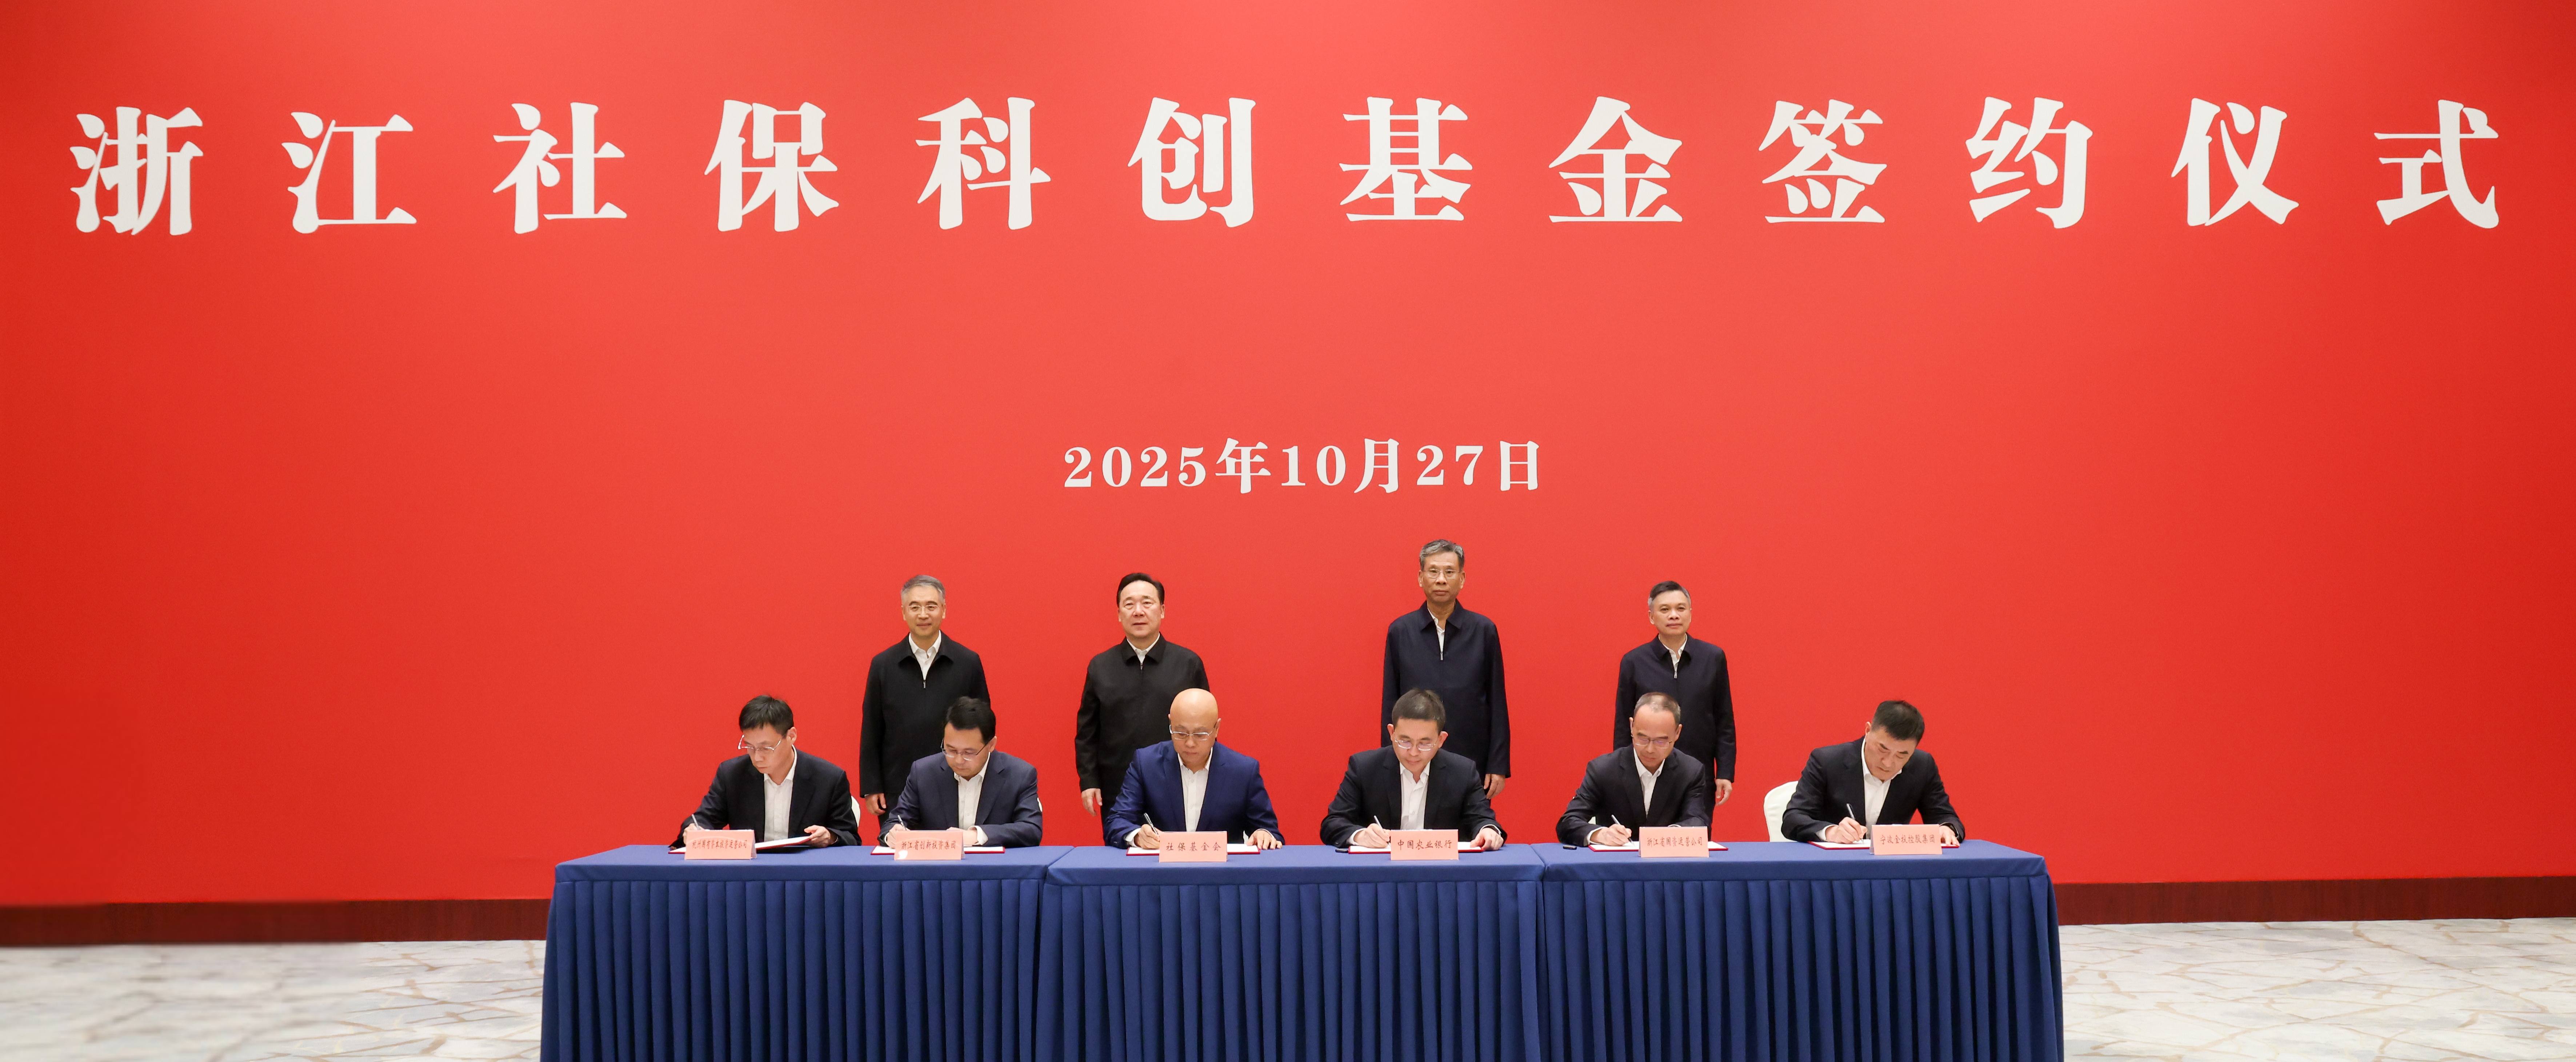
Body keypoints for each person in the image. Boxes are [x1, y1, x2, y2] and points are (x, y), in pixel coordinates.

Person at [1073, 572, 1212, 842]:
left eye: (1147, 603)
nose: (1138, 611)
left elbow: (1207, 727)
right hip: (1118, 786)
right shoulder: (1101, 667)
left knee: (1176, 855)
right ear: (1119, 614)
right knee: (1123, 853)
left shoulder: (1188, 663)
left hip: (1178, 781)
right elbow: (1087, 732)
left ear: (1162, 611)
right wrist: (1089, 781)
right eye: (1129, 604)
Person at [858, 574, 990, 843]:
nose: (923, 614)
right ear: (903, 612)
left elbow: (984, 727)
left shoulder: (967, 662)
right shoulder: (883, 665)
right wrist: (872, 786)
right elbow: (872, 728)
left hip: (957, 780)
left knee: (954, 853)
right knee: (903, 855)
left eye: (931, 606)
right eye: (915, 607)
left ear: (944, 610)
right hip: (898, 786)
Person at [1382, 539, 1510, 799]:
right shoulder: (1401, 632)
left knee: (1471, 824)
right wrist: (1389, 760)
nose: (1441, 580)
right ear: (1421, 578)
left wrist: (1498, 765)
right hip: (1414, 758)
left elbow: (1497, 702)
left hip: (1472, 759)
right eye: (1433, 572)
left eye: (1449, 572)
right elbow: (1390, 703)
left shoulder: (1483, 631)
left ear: (1462, 579)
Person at [1320, 689, 1504, 850]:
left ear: (1441, 740)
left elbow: (1483, 820)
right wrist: (1360, 836)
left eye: (1425, 743)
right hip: (1381, 871)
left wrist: (1488, 831)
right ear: (1392, 733)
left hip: (1442, 872)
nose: (1414, 753)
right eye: (1405, 741)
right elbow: (1333, 823)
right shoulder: (1364, 768)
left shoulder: (1463, 772)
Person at [1105, 688, 1282, 849]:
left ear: (1217, 729)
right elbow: (1117, 821)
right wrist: (1137, 837)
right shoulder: (1146, 764)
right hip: (1161, 871)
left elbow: (1269, 831)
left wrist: (1263, 834)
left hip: (1221, 873)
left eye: (1200, 734)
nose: (1190, 743)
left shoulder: (1243, 771)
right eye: (1181, 733)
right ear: (1171, 723)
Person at [1612, 580, 1736, 807]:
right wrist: (1622, 772)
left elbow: (1724, 720)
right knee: (1649, 829)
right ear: (1652, 617)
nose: (1674, 615)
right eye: (1665, 609)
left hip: (1700, 772)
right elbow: (1623, 723)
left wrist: (1725, 772)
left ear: (1690, 613)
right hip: (1647, 771)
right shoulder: (1634, 662)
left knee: (1696, 829)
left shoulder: (1713, 658)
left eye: (1681, 608)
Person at [675, 695, 859, 848]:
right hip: (750, 873)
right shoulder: (732, 775)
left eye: (766, 748)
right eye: (750, 747)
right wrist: (694, 829)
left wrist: (830, 836)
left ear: (791, 736)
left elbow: (850, 837)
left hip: (806, 873)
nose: (757, 757)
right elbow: (703, 819)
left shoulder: (829, 779)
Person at [1780, 700, 1966, 844]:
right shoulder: (1827, 761)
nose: (1889, 763)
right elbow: (1793, 819)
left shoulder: (1923, 766)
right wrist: (1831, 832)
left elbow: (1945, 816)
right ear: (1868, 731)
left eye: (1902, 755)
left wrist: (1946, 829)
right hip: (1835, 867)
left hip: (1891, 870)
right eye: (1883, 749)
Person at [1557, 692, 1714, 846]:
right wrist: (1601, 834)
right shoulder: (1603, 770)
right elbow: (1569, 822)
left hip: (1668, 861)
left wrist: (1667, 837)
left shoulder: (1690, 771)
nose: (1650, 749)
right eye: (1643, 738)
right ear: (1632, 726)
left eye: (1661, 741)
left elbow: (1698, 822)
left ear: (1677, 732)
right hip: (1616, 861)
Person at [884, 697, 1044, 847]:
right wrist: (893, 833)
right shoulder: (923, 773)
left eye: (969, 753)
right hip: (938, 866)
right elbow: (895, 822)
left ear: (991, 745)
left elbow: (1031, 829)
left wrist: (976, 836)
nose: (959, 760)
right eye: (951, 750)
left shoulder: (1019, 775)